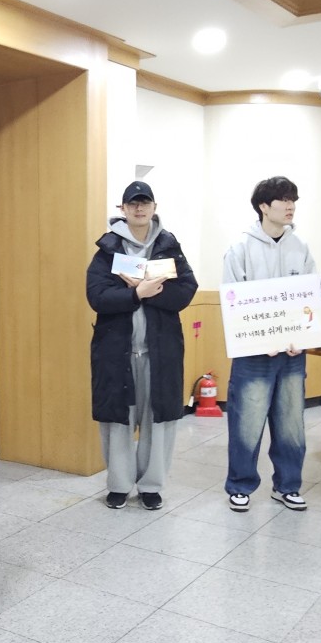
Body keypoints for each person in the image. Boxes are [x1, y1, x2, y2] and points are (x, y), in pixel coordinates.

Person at [86, 180, 198, 510]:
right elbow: (97, 297)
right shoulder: (107, 250)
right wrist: (136, 293)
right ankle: (118, 485)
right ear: (122, 209)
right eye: (133, 203)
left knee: (158, 421)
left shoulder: (169, 247)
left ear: (154, 207)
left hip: (159, 353)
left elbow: (186, 290)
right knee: (117, 421)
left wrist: (150, 291)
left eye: (144, 202)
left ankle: (151, 486)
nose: (139, 208)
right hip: (116, 352)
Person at [222, 176, 316, 513]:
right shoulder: (240, 248)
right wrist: (261, 338)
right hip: (253, 354)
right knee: (246, 422)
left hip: (292, 353)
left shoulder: (300, 248)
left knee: (291, 422)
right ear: (263, 206)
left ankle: (287, 486)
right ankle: (240, 485)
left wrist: (300, 338)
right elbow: (233, 302)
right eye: (283, 200)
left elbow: (309, 297)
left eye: (294, 200)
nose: (290, 206)